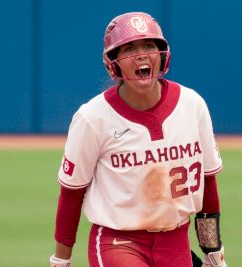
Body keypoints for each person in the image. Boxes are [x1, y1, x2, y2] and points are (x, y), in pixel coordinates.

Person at [49, 12, 228, 267]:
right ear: (114, 62)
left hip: (176, 242)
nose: (141, 54)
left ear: (161, 54)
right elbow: (71, 193)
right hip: (117, 243)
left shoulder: (192, 105)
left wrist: (213, 251)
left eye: (148, 45)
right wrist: (60, 260)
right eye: (129, 48)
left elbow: (207, 182)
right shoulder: (93, 118)